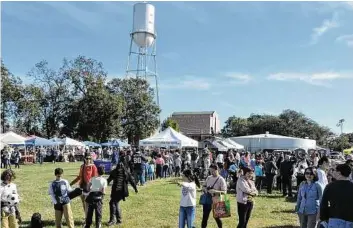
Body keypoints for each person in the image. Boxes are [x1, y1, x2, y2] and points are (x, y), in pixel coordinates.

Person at [107, 152, 138, 226]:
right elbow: (132, 181)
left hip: (119, 191)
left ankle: (113, 220)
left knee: (113, 203)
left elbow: (132, 180)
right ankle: (118, 220)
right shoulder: (124, 172)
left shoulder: (122, 172)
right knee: (115, 203)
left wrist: (135, 188)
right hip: (119, 191)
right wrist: (135, 188)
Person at [70, 154, 98, 220]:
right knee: (83, 203)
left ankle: (87, 218)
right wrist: (71, 183)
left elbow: (95, 178)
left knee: (87, 203)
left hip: (89, 187)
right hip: (82, 186)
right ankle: (86, 216)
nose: (88, 160)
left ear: (91, 159)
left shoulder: (93, 167)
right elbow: (79, 177)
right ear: (84, 159)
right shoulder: (82, 166)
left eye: (89, 158)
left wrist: (93, 187)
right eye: (87, 158)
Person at [201, 164, 227, 228]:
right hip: (207, 200)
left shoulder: (221, 179)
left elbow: (224, 192)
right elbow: (203, 186)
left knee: (217, 218)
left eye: (212, 171)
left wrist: (215, 191)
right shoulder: (209, 177)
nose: (211, 172)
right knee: (205, 217)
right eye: (210, 171)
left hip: (216, 201)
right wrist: (205, 189)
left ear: (217, 170)